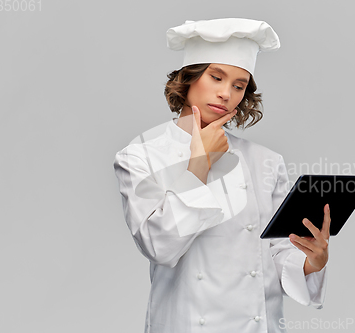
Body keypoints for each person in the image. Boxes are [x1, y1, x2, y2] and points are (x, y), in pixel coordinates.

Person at [113, 18, 331, 333]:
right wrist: (201, 162)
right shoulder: (142, 155)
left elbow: (278, 250)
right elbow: (159, 247)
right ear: (188, 79)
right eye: (216, 77)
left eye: (239, 85)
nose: (226, 93)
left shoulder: (266, 161)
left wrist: (312, 262)